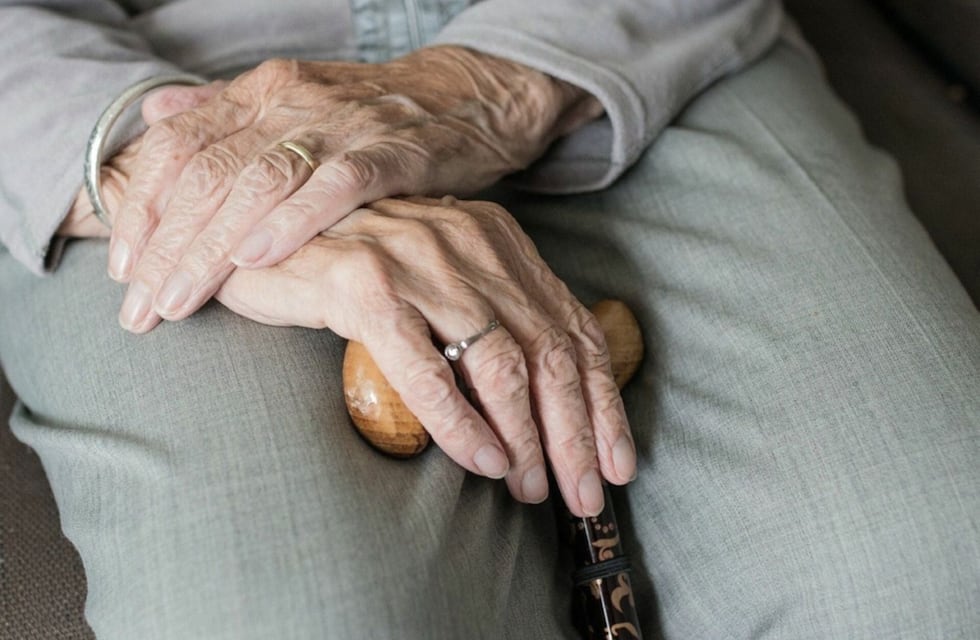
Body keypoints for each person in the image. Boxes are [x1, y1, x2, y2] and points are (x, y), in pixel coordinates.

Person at [0, 0, 977, 638]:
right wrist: (172, 171)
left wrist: (480, 86)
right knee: (294, 618)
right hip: (132, 88)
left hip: (632, 37)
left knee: (930, 564)